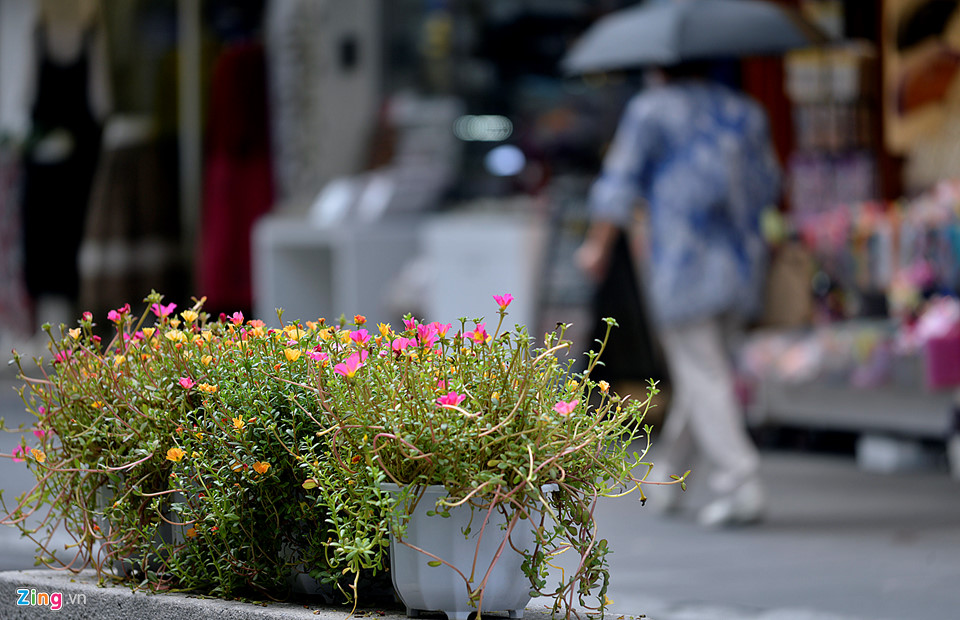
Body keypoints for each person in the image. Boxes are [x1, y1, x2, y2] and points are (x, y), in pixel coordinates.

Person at [576, 62, 781, 527]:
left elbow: (618, 183)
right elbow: (769, 182)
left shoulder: (651, 110)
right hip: (743, 260)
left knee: (702, 371)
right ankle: (667, 475)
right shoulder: (746, 111)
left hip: (681, 261)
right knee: (706, 371)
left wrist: (597, 245)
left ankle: (740, 478)